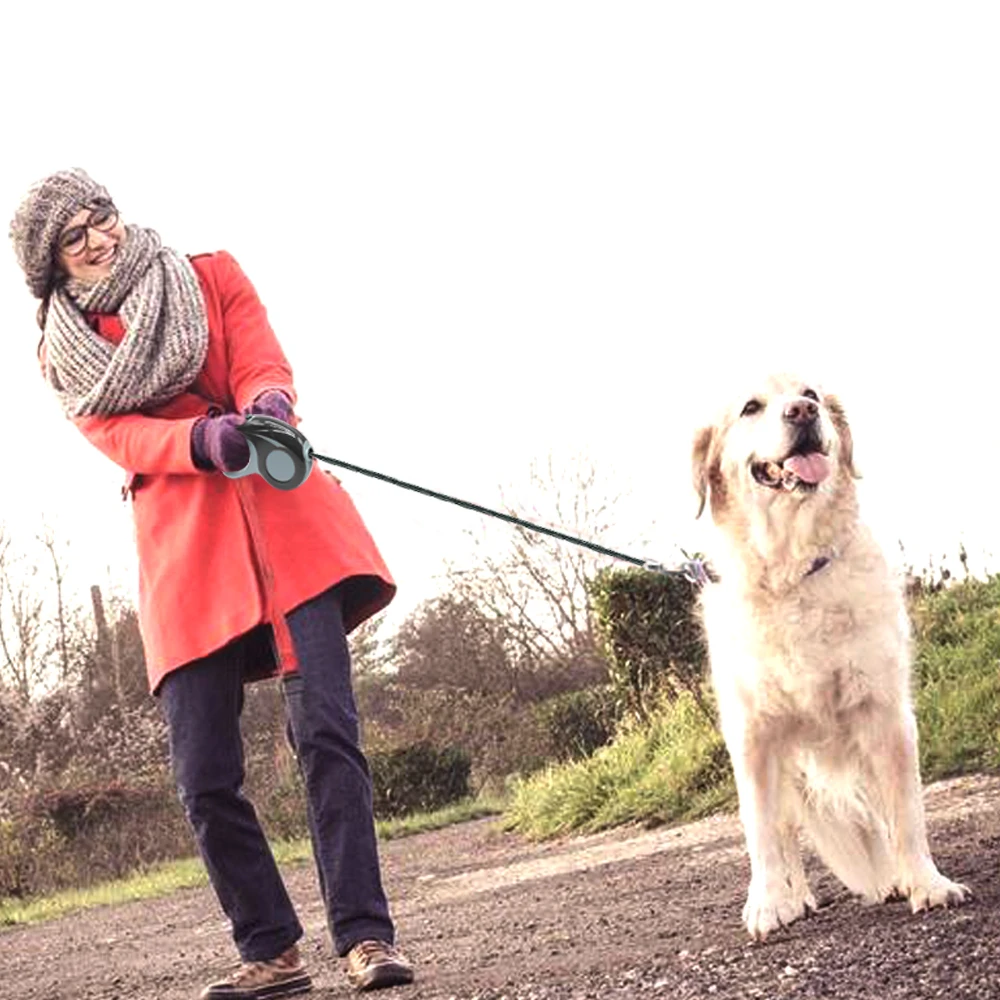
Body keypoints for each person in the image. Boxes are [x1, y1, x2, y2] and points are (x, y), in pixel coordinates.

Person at [9, 168, 415, 999]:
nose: (99, 238)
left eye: (102, 217)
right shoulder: (62, 355)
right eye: (75, 235)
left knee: (327, 735)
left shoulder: (208, 274)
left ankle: (366, 938)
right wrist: (200, 439)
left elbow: (262, 353)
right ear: (50, 264)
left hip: (288, 530)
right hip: (186, 560)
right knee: (202, 773)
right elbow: (118, 435)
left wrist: (265, 405)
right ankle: (270, 949)